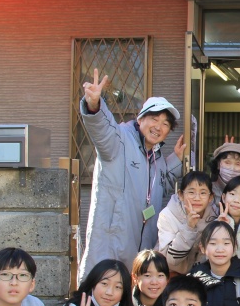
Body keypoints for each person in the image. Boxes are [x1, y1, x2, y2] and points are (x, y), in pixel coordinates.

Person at [78, 69, 186, 283]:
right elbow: (102, 130)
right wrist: (95, 106)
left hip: (140, 248)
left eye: (165, 124)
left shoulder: (155, 156)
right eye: (154, 119)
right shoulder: (120, 140)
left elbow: (162, 186)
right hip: (112, 244)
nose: (159, 127)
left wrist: (176, 159)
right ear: (141, 118)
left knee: (131, 294)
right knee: (104, 289)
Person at [157, 171, 217, 275]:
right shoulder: (167, 215)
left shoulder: (215, 217)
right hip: (172, 273)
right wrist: (189, 227)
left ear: (210, 197)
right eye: (191, 192)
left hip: (203, 274)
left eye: (203, 193)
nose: (197, 198)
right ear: (181, 195)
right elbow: (171, 260)